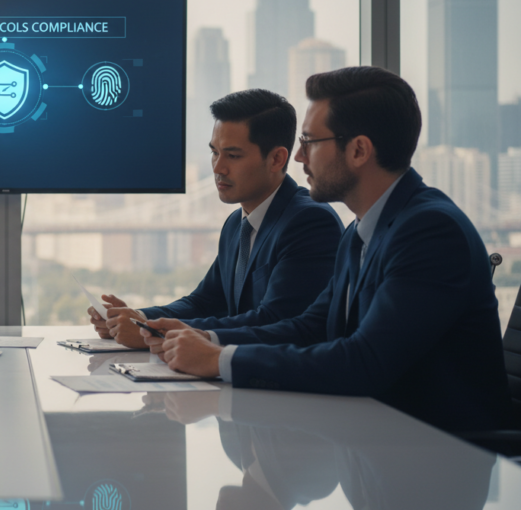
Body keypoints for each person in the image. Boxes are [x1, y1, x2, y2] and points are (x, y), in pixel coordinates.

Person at [144, 67, 511, 431]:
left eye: (309, 142)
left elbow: (365, 361)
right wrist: (207, 341)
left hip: (440, 461)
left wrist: (222, 360)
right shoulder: (359, 231)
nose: (299, 158)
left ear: (358, 150)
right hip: (376, 450)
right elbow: (310, 327)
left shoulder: (430, 231)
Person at [92, 89, 344, 348]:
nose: (217, 167)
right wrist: (140, 318)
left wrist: (156, 333)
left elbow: (276, 320)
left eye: (233, 156)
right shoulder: (237, 224)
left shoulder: (309, 221)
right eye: (215, 152)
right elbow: (203, 302)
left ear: (277, 159)